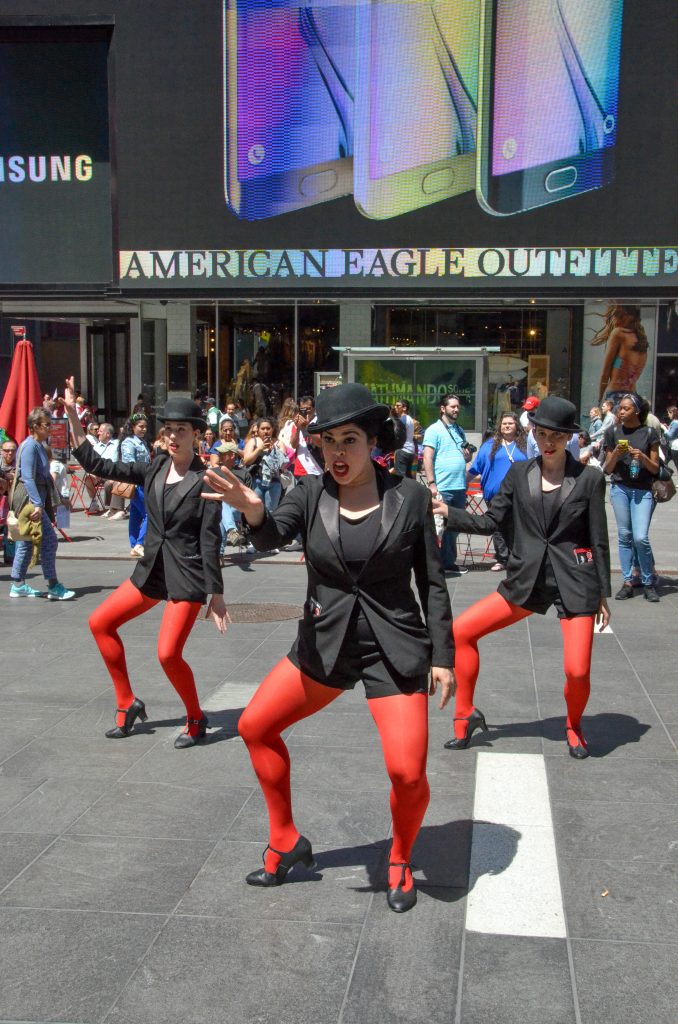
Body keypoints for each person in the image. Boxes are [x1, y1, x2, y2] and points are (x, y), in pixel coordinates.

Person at [201, 383, 455, 913]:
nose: (337, 453)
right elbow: (272, 535)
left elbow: (432, 582)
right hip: (325, 642)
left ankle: (402, 856)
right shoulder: (310, 492)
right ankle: (286, 839)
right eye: (328, 442)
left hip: (394, 647)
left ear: (373, 440)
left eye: (350, 440)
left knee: (408, 773)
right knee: (255, 726)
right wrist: (251, 511)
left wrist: (443, 657)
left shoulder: (406, 497)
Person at [434, 396, 610, 760]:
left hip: (574, 582)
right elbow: (489, 521)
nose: (548, 442)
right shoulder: (519, 474)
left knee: (577, 671)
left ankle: (574, 726)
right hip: (527, 579)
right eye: (542, 434)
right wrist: (447, 512)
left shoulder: (589, 479)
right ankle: (465, 716)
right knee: (462, 631)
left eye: (557, 437)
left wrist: (603, 593)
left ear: (570, 438)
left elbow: (598, 538)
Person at [63, 380, 228, 745]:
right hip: (151, 570)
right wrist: (73, 414)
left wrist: (216, 592)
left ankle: (196, 717)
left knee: (168, 654)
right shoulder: (154, 467)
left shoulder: (206, 480)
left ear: (197, 435)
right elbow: (96, 462)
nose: (172, 436)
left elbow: (210, 540)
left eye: (181, 430)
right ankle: (127, 702)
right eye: (168, 429)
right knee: (100, 622)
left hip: (186, 577)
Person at [7, 407, 75, 600]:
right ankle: (53, 585)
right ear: (35, 426)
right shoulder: (30, 446)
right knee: (50, 540)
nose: (51, 428)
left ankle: (18, 584)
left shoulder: (36, 445)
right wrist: (37, 503)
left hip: (34, 498)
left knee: (27, 542)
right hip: (29, 500)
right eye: (47, 424)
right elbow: (27, 477)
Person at [603, 394, 661, 603]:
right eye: (620, 408)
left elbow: (655, 468)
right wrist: (616, 455)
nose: (621, 412)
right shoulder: (612, 433)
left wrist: (643, 457)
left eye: (626, 408)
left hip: (643, 490)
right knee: (624, 536)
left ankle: (648, 581)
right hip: (620, 489)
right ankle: (628, 581)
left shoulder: (649, 433)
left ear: (636, 411)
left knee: (640, 537)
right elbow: (607, 470)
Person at [467, 413, 528, 571]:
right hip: (495, 494)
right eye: (504, 423)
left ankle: (515, 557)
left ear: (517, 426)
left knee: (515, 525)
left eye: (510, 423)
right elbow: (476, 468)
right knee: (498, 527)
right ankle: (502, 558)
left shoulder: (525, 445)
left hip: (518, 493)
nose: (506, 426)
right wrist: (463, 482)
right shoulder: (490, 445)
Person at [422, 393, 470, 576]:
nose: (456, 409)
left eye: (458, 406)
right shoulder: (434, 430)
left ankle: (448, 562)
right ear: (443, 408)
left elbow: (465, 456)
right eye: (453, 406)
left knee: (455, 526)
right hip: (443, 485)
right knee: (439, 527)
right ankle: (436, 564)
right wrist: (432, 483)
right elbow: (427, 457)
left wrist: (467, 457)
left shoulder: (459, 430)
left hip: (459, 485)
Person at [591, 304, 649, 405]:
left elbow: (606, 372)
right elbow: (620, 364)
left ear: (624, 315)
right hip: (632, 395)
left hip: (616, 394)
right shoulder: (641, 339)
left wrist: (600, 398)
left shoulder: (619, 334)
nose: (613, 319)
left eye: (615, 314)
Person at [241, 417, 286, 513]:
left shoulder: (279, 443)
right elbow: (246, 461)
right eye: (263, 428)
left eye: (268, 428)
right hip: (256, 481)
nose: (266, 431)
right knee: (256, 511)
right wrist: (259, 449)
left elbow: (282, 466)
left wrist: (273, 450)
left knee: (271, 512)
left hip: (274, 482)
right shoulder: (253, 441)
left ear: (272, 429)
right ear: (258, 429)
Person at [121, 413, 150, 557]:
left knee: (136, 514)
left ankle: (134, 545)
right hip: (136, 483)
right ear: (133, 427)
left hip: (143, 482)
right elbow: (129, 464)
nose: (144, 429)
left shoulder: (143, 442)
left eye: (145, 427)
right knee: (149, 513)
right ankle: (139, 543)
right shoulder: (128, 442)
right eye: (141, 426)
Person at [394, 399, 416, 478]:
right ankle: (410, 490)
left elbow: (399, 435)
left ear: (404, 408)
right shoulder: (409, 418)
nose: (395, 407)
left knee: (400, 478)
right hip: (410, 450)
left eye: (398, 406)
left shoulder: (403, 419)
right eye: (395, 405)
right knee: (408, 476)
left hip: (403, 450)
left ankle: (402, 490)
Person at [665, 406, 678, 472]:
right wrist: (667, 427)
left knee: (676, 463)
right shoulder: (675, 422)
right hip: (672, 446)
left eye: (669, 413)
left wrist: (664, 429)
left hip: (675, 447)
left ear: (673, 413)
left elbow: (670, 436)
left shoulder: (675, 423)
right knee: (665, 461)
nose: (668, 415)